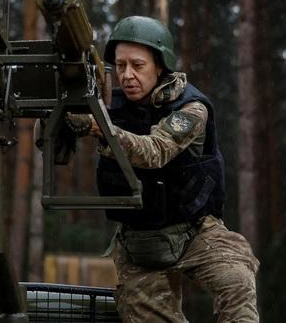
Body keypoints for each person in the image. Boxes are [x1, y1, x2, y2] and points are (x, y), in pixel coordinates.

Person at [63, 16, 259, 322]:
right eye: (120, 65)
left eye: (137, 65)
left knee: (236, 281)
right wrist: (58, 112)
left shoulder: (191, 109)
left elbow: (155, 151)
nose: (127, 75)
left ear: (160, 66)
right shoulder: (106, 103)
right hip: (141, 244)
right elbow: (43, 138)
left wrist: (98, 128)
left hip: (197, 232)